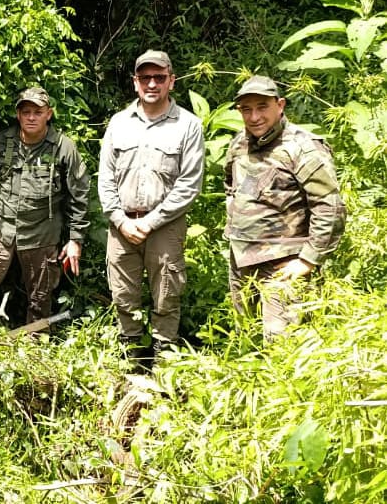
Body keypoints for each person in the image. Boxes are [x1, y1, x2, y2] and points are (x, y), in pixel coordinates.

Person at [97, 50, 204, 369]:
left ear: (172, 81)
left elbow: (189, 183)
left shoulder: (188, 125)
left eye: (159, 77)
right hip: (121, 227)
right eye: (145, 77)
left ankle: (163, 367)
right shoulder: (118, 123)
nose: (152, 83)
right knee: (123, 296)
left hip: (165, 227)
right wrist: (120, 220)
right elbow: (105, 179)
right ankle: (131, 363)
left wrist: (152, 221)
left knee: (167, 295)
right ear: (135, 83)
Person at [225, 75, 346, 340]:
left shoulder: (303, 147)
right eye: (246, 109)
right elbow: (231, 187)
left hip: (284, 262)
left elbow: (330, 206)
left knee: (283, 342)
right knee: (247, 338)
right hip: (242, 259)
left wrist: (309, 259)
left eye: (262, 106)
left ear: (280, 105)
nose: (254, 116)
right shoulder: (239, 143)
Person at [0, 87, 90, 325]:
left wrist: (76, 239)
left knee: (40, 297)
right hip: (0, 229)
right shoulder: (1, 143)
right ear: (18, 115)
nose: (31, 117)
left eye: (37, 112)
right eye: (26, 112)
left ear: (48, 114)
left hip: (41, 234)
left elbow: (79, 194)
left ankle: (35, 344)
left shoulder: (63, 148)